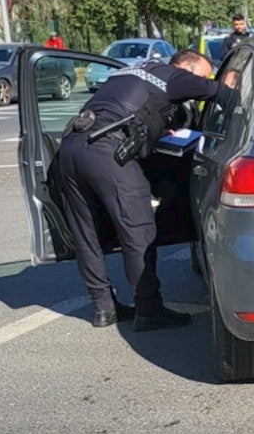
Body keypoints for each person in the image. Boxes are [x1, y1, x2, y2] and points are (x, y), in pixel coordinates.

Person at [59, 49, 237, 329]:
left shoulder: (134, 70)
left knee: (87, 234)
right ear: (186, 68)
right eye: (203, 74)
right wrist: (232, 84)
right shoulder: (174, 75)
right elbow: (221, 94)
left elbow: (135, 111)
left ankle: (103, 308)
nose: (203, 80)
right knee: (138, 230)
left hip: (72, 146)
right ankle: (149, 309)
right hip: (108, 151)